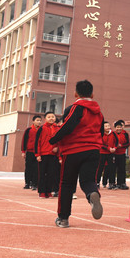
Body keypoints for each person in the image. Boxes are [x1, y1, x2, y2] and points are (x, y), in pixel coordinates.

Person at [48, 80, 104, 228]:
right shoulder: (99, 113)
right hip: (93, 150)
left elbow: (68, 126)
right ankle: (93, 194)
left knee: (67, 184)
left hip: (73, 151)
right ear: (92, 94)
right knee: (88, 181)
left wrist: (53, 140)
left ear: (75, 94)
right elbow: (101, 132)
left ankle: (63, 218)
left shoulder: (75, 108)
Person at [35, 111, 61, 198]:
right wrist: (37, 154)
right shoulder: (41, 128)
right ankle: (42, 191)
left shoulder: (57, 128)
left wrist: (57, 148)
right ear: (45, 119)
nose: (51, 118)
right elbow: (37, 142)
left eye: (52, 117)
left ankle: (49, 191)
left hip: (53, 155)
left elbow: (60, 141)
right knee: (42, 173)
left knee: (51, 174)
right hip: (43, 154)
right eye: (49, 117)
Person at [21, 115, 42, 189]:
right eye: (37, 120)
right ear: (33, 121)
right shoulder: (28, 130)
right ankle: (27, 183)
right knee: (28, 168)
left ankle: (34, 183)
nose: (39, 122)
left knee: (36, 168)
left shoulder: (42, 129)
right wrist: (23, 151)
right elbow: (24, 140)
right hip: (30, 152)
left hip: (38, 152)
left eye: (40, 120)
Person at [112, 120, 130, 190]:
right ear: (115, 127)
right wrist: (116, 146)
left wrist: (122, 145)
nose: (119, 128)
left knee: (122, 169)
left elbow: (128, 144)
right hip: (114, 154)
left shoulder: (125, 134)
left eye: (120, 127)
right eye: (117, 127)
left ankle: (122, 183)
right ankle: (113, 183)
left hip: (122, 154)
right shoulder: (113, 134)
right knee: (113, 169)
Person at [98, 121, 117, 189]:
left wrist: (114, 148)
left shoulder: (113, 134)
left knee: (111, 169)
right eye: (106, 126)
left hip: (111, 154)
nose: (108, 127)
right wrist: (108, 148)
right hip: (102, 153)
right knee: (100, 168)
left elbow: (116, 142)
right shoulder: (100, 134)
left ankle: (112, 183)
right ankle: (97, 183)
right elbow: (100, 144)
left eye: (108, 126)